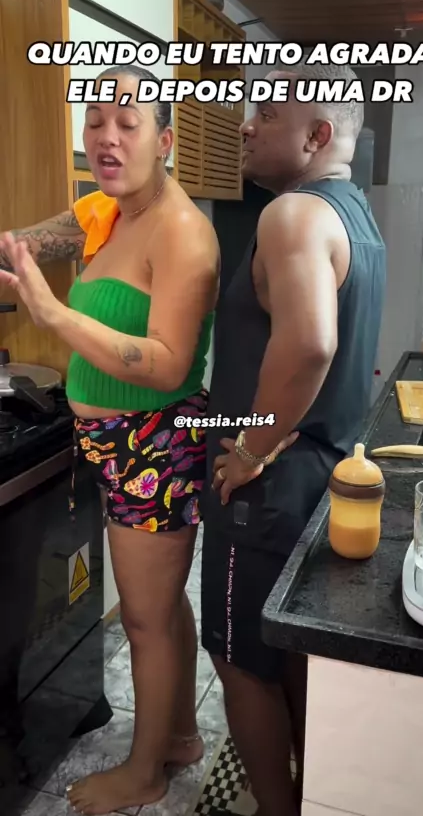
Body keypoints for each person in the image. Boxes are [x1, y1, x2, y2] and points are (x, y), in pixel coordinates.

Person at [0, 64, 219, 815]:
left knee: (145, 619)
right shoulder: (104, 211)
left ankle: (144, 773)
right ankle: (180, 735)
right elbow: (20, 249)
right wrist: (16, 264)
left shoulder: (184, 233)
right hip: (112, 440)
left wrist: (54, 316)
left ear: (165, 140)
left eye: (129, 122)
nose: (108, 136)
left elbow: (167, 363)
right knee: (163, 608)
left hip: (156, 444)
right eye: (96, 120)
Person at [200, 59, 386, 816]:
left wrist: (248, 451)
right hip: (320, 476)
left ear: (316, 135)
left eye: (266, 114)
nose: (246, 126)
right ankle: (311, 796)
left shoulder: (293, 216)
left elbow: (310, 344)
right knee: (291, 653)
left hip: (268, 490)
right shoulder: (356, 214)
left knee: (241, 660)